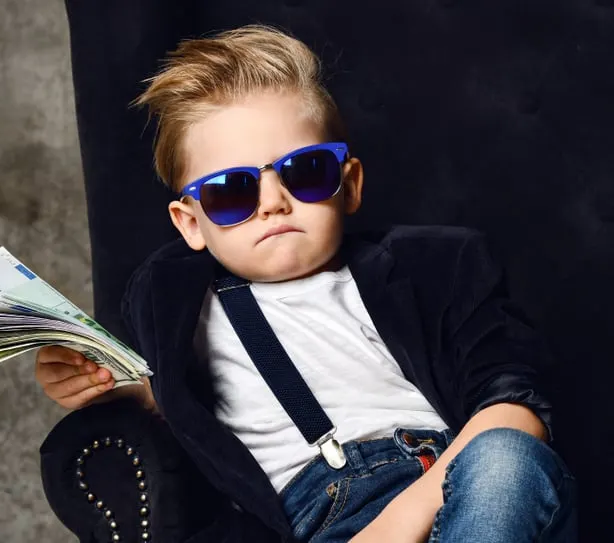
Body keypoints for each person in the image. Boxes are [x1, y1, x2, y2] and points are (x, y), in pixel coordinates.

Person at [35, 25, 576, 542]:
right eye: (230, 192)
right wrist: (93, 380)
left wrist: (400, 521)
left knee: (506, 457)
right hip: (317, 521)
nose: (273, 202)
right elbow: (176, 400)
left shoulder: (433, 268)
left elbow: (518, 410)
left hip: (457, 491)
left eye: (306, 171)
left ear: (349, 186)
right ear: (191, 223)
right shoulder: (181, 312)